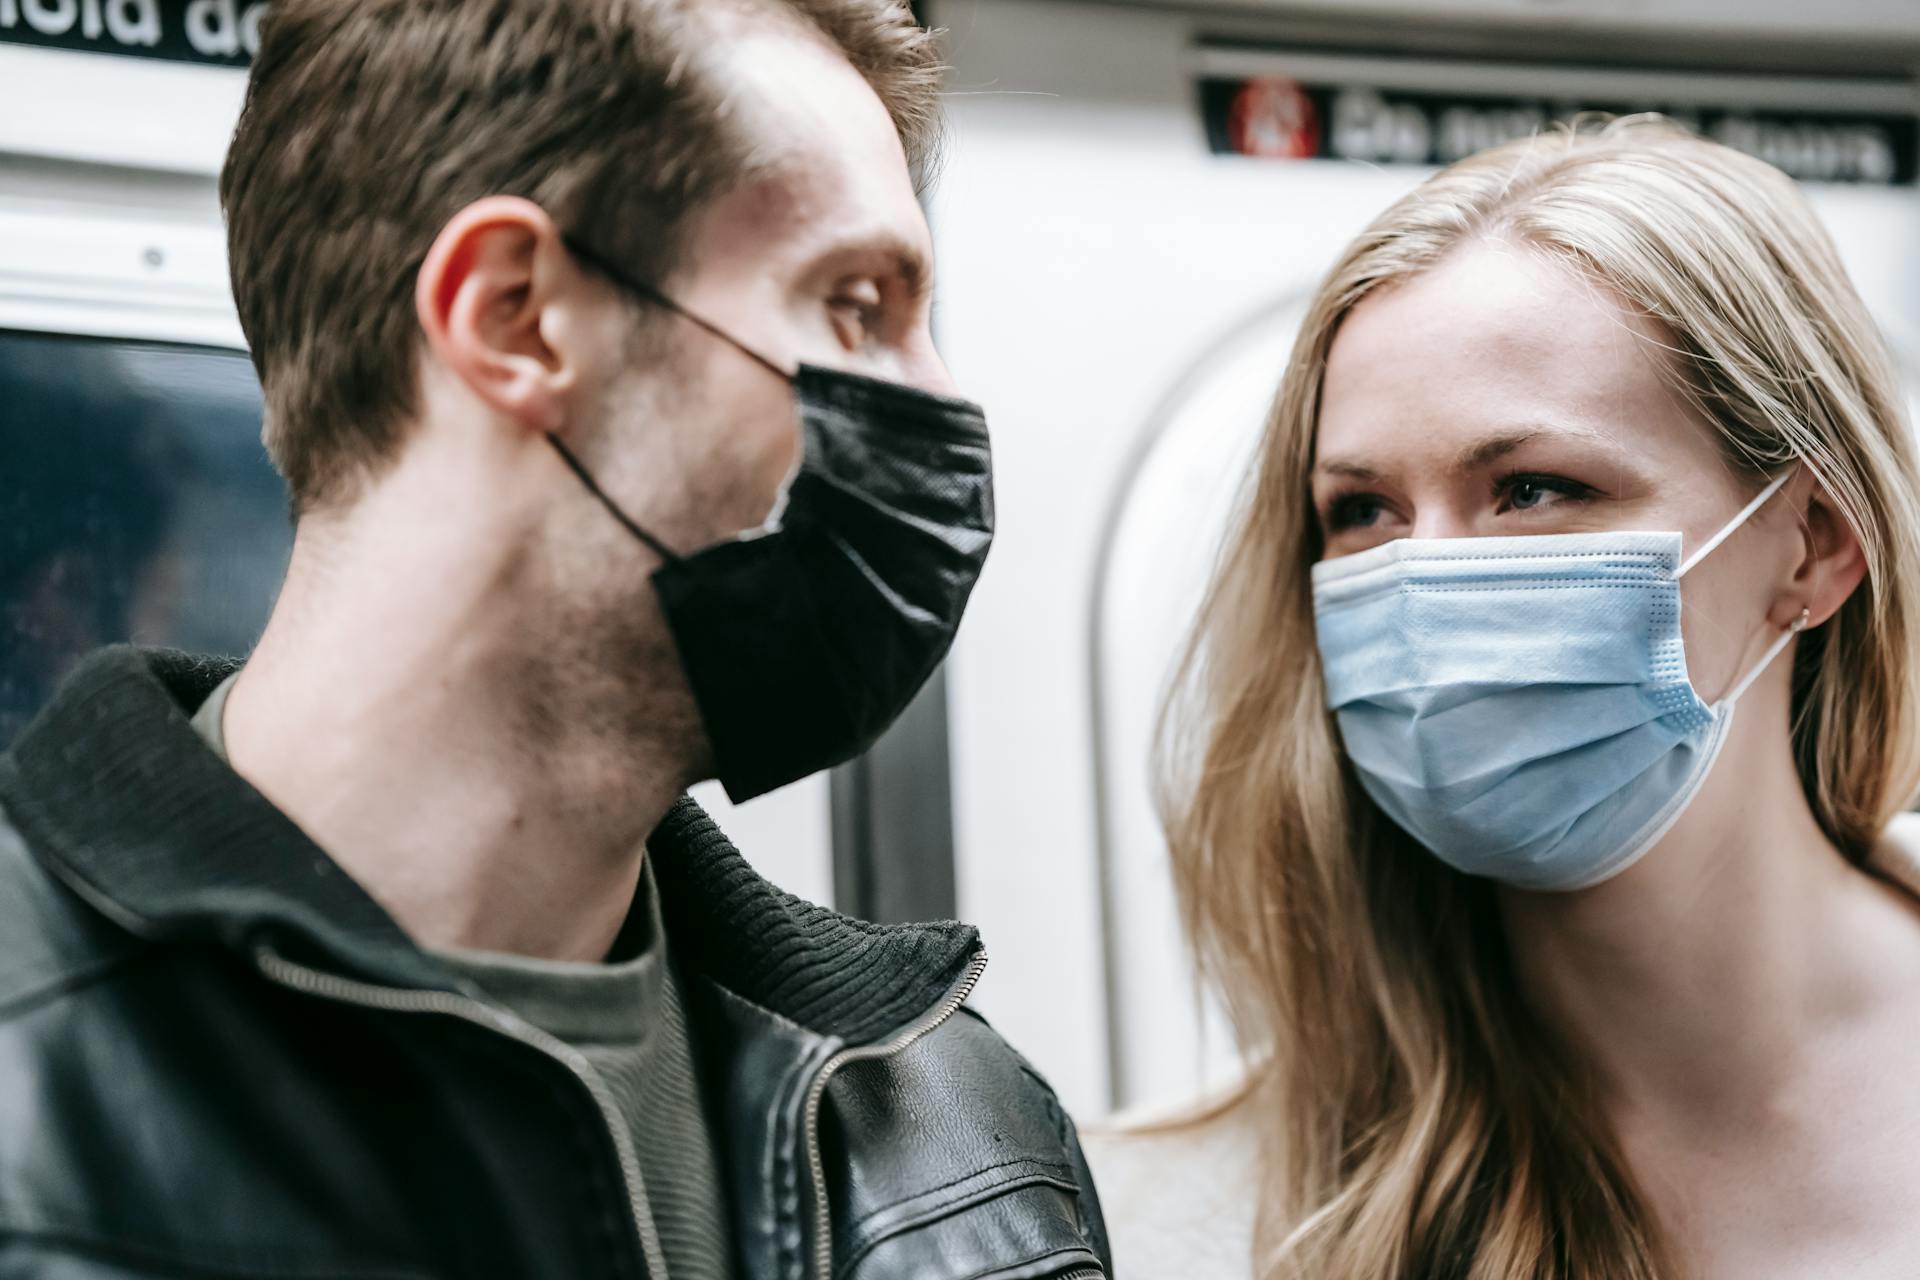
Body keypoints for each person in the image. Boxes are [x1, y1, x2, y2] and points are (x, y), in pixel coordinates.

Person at [0, 2, 1111, 1277]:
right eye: (855, 306)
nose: (945, 407)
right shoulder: (33, 1087)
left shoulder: (958, 1134)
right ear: (519, 316)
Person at [1085, 116, 1920, 1278]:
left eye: (1533, 488)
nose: (1426, 582)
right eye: (1363, 510)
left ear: (1814, 545)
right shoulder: (1175, 1219)